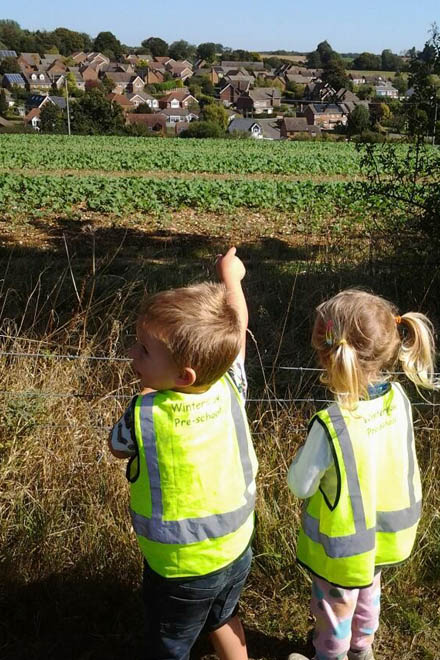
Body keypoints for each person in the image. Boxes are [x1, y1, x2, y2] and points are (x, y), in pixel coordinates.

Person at [108, 247, 258, 660]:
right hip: (236, 549)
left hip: (179, 568)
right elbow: (238, 331)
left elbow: (116, 447)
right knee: (224, 618)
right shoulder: (231, 386)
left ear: (183, 375)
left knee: (170, 643)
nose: (133, 355)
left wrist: (145, 393)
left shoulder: (145, 416)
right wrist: (232, 281)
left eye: (144, 351)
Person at [286, 289, 438, 660]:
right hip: (386, 539)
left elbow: (299, 485)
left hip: (342, 550)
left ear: (327, 355)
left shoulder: (331, 424)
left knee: (333, 609)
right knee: (369, 593)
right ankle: (362, 650)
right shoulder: (399, 399)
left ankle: (330, 655)